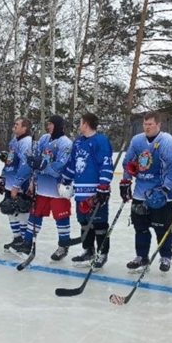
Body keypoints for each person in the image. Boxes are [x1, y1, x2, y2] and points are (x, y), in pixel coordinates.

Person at [121, 111, 172, 273]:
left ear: (158, 124)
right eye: (145, 124)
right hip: (140, 194)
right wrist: (126, 181)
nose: (146, 127)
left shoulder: (167, 142)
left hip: (161, 196)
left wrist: (165, 188)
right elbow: (128, 161)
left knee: (162, 228)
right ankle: (142, 257)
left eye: (150, 124)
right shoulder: (137, 140)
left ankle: (166, 256)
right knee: (140, 227)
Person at [10, 116, 74, 262]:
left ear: (57, 125)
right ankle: (27, 243)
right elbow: (34, 162)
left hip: (58, 189)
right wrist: (31, 180)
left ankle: (63, 245)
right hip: (42, 188)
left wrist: (44, 167)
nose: (48, 126)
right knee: (35, 214)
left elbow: (61, 166)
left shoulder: (66, 143)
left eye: (50, 124)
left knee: (61, 217)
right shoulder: (44, 139)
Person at [60, 113, 113, 269]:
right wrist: (65, 180)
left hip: (95, 192)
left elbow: (106, 164)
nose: (79, 125)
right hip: (80, 191)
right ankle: (88, 250)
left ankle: (102, 254)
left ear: (87, 124)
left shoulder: (100, 141)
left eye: (81, 122)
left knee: (99, 224)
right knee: (84, 222)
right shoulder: (77, 142)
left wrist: (103, 186)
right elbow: (72, 164)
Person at [0, 117, 32, 253]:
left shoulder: (27, 142)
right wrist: (2, 178)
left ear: (25, 128)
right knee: (9, 210)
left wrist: (18, 184)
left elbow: (26, 165)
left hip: (20, 185)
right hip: (9, 184)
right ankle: (17, 238)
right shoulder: (13, 141)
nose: (14, 126)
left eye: (17, 124)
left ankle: (24, 240)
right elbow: (9, 163)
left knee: (22, 212)